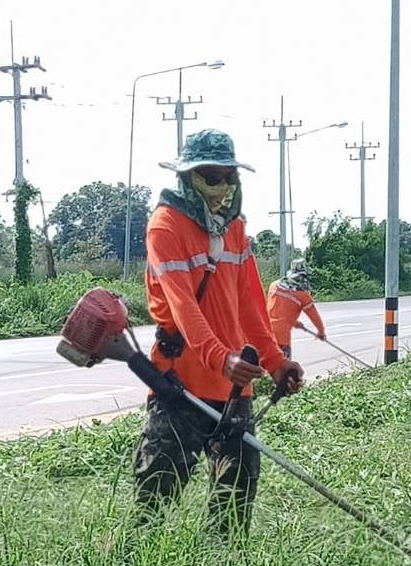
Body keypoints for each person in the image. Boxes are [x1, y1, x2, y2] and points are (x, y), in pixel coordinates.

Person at [134, 129, 304, 530]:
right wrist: (220, 357)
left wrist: (275, 361)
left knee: (234, 506)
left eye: (229, 177)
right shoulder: (166, 226)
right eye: (212, 177)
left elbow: (249, 304)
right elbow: (183, 306)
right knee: (153, 505)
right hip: (181, 387)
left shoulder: (234, 229)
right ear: (188, 176)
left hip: (233, 390)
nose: (223, 187)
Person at [267, 257, 326, 358]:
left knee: (263, 364)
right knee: (283, 366)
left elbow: (275, 311)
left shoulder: (274, 286)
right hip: (281, 338)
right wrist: (321, 332)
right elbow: (314, 316)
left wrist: (295, 323)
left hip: (265, 332)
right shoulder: (303, 295)